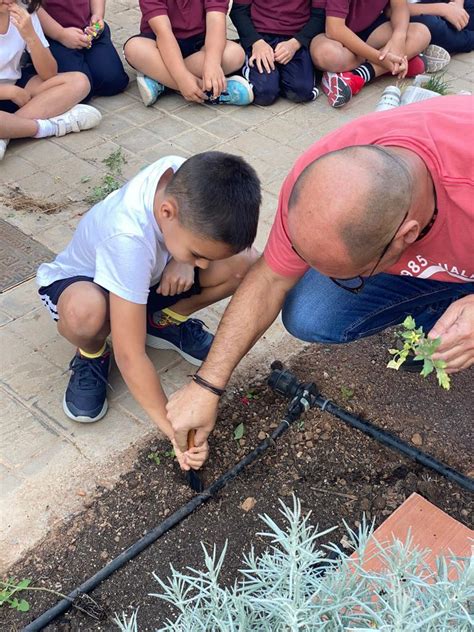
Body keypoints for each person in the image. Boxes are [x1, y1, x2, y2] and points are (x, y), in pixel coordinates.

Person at [165, 96, 474, 471]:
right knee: (312, 312)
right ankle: (444, 300)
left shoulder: (464, 182)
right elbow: (271, 278)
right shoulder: (321, 178)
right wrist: (207, 385)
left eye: (351, 276)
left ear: (406, 236)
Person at [36, 151, 261, 469]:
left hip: (145, 278)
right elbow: (131, 356)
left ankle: (159, 322)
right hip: (88, 284)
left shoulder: (178, 172)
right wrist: (175, 431)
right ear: (167, 212)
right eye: (198, 254)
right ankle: (92, 353)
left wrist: (183, 259)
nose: (205, 265)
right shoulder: (127, 238)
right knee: (84, 314)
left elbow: (199, 239)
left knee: (246, 264)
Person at [0, 0, 102, 161]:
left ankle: (7, 132)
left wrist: (30, 35)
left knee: (79, 82)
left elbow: (49, 73)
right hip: (9, 91)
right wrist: (7, 91)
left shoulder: (23, 10)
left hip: (17, 85)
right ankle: (49, 126)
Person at [123, 0, 254, 107]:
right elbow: (163, 32)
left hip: (199, 44)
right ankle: (210, 93)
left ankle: (161, 80)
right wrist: (181, 78)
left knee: (235, 54)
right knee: (133, 48)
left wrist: (213, 64)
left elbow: (216, 20)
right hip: (161, 46)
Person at [310, 0, 436, 107]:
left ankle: (356, 76)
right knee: (326, 54)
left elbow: (400, 6)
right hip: (334, 36)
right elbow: (334, 29)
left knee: (421, 33)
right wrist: (379, 58)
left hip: (369, 29)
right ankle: (393, 64)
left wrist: (399, 37)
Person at [229, 0, 325, 106]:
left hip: (295, 39)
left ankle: (280, 77)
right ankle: (240, 61)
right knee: (264, 93)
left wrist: (296, 43)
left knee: (301, 91)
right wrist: (255, 41)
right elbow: (238, 11)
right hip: (259, 37)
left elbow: (320, 15)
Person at [37, 0, 129, 100]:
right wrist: (60, 34)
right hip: (53, 36)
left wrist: (97, 15)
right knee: (80, 91)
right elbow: (32, 7)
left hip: (89, 30)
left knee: (113, 82)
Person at [408, 0, 474, 54]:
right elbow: (399, 10)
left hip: (445, 3)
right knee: (432, 25)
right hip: (412, 12)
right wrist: (443, 9)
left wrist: (457, 5)